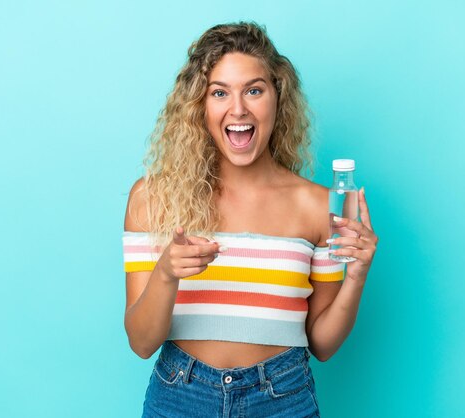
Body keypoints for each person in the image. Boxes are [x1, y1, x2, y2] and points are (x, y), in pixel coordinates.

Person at [122, 21, 378, 418]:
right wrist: (166, 274)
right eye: (219, 92)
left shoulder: (318, 206)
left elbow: (323, 345)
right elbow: (140, 342)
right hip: (179, 397)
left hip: (282, 399)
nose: (238, 109)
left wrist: (357, 277)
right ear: (199, 106)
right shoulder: (153, 199)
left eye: (254, 90)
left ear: (278, 97)